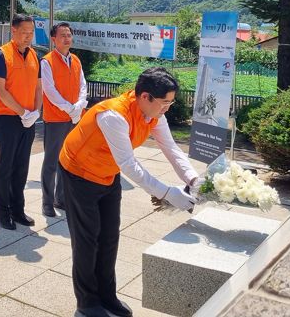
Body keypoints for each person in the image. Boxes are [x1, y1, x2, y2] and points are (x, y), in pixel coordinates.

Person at [59, 67, 199, 317]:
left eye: (171, 102)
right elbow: (129, 165)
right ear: (145, 97)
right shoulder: (114, 115)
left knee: (110, 237)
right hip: (79, 172)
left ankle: (107, 295)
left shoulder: (154, 114)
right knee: (87, 240)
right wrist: (168, 193)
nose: (168, 107)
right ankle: (87, 303)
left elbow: (171, 148)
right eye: (165, 102)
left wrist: (193, 178)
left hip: (107, 173)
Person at [0, 13, 42, 230]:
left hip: (28, 120)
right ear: (13, 31)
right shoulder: (1, 55)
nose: (28, 37)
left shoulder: (34, 56)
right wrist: (22, 111)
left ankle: (18, 209)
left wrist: (36, 111)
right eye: (24, 32)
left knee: (22, 166)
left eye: (31, 33)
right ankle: (3, 212)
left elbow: (39, 87)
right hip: (7, 119)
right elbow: (0, 90)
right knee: (6, 166)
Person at [39, 22, 87, 217]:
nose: (67, 38)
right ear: (53, 39)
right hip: (56, 118)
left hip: (75, 117)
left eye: (69, 35)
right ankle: (47, 202)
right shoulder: (47, 61)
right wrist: (70, 109)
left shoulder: (75, 60)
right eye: (62, 35)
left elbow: (83, 85)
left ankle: (61, 198)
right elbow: (50, 91)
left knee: (67, 160)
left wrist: (79, 105)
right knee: (51, 161)